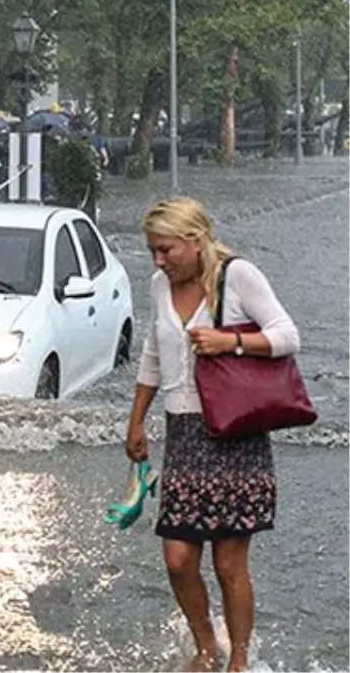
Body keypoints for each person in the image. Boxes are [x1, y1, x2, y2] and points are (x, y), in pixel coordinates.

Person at [126, 198, 299, 673]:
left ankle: (238, 660)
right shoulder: (160, 285)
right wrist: (136, 419)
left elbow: (287, 335)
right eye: (152, 252)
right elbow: (152, 353)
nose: (159, 261)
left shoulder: (238, 275)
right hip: (182, 434)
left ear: (195, 241)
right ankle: (206, 648)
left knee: (228, 563)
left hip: (235, 433)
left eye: (166, 250)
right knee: (178, 558)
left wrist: (232, 341)